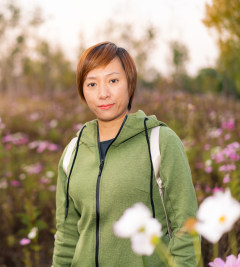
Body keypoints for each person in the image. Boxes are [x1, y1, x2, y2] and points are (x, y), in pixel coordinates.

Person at [52, 41, 200, 267]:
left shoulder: (161, 142)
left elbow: (185, 226)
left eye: (113, 81)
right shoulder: (73, 152)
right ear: (82, 90)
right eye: (91, 84)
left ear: (129, 83)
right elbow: (66, 235)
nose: (103, 93)